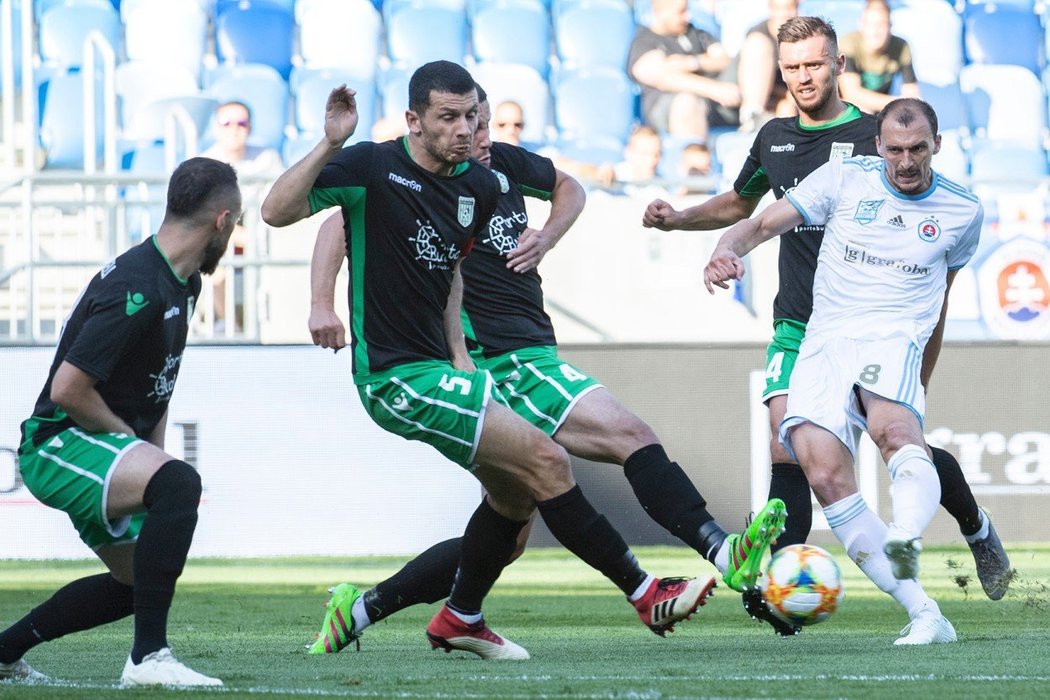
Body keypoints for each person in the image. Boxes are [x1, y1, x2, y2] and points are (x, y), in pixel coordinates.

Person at [260, 61, 765, 661]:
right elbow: (278, 213)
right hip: (396, 374)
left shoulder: (477, 183)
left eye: (474, 117)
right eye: (451, 118)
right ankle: (647, 588)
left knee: (514, 510)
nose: (469, 130)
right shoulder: (372, 164)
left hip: (450, 368)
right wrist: (330, 146)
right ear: (415, 122)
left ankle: (421, 613)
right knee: (551, 460)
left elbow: (450, 274)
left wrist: (457, 356)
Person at [643, 16, 1010, 634]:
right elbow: (743, 208)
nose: (803, 77)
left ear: (839, 65)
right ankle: (782, 586)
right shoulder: (776, 137)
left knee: (899, 436)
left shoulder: (881, 137)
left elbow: (936, 269)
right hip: (801, 324)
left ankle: (975, 527)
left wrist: (925, 353)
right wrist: (682, 221)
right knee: (793, 454)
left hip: (883, 322)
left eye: (815, 64)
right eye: (792, 67)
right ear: (779, 71)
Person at [701, 97, 982, 645]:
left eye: (918, 149)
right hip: (824, 339)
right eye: (895, 149)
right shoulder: (844, 178)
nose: (906, 162)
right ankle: (927, 615)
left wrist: (925, 365)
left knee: (893, 432)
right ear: (878, 146)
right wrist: (723, 248)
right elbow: (758, 224)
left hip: (895, 334)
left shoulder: (962, 211)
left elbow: (943, 297)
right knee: (827, 479)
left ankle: (903, 534)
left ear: (937, 146)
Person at [0, 157, 241, 686]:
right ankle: (148, 660)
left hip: (98, 446)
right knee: (181, 484)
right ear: (222, 221)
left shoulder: (183, 283)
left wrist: (148, 452)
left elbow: (159, 381)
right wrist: (129, 440)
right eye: (237, 223)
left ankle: (3, 652)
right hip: (57, 444)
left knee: (136, 585)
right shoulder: (138, 285)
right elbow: (67, 390)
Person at [199, 101, 283, 334]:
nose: (234, 129)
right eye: (227, 123)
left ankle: (272, 326)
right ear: (216, 128)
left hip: (261, 230)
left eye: (241, 123)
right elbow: (204, 215)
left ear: (250, 127)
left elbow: (279, 203)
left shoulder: (267, 159)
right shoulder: (205, 163)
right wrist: (239, 236)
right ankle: (228, 325)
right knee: (217, 256)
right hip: (220, 233)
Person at [627, 0, 740, 142]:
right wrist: (713, 89)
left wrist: (691, 62)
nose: (687, 16)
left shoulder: (696, 33)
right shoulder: (645, 41)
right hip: (670, 108)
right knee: (687, 101)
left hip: (715, 104)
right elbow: (659, 76)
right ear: (660, 11)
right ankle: (694, 159)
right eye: (680, 12)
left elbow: (723, 59)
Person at [838, 0, 920, 115]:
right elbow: (851, 94)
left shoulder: (901, 47)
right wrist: (899, 103)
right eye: (870, 24)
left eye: (881, 25)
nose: (875, 31)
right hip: (847, 109)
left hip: (882, 110)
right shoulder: (849, 43)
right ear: (861, 24)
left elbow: (912, 92)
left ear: (890, 26)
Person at [736, 0, 799, 132]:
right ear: (770, 9)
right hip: (739, 96)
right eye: (781, 8)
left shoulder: (801, 37)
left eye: (790, 8)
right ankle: (752, 117)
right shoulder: (758, 36)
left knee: (786, 108)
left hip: (779, 100)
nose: (786, 14)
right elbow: (756, 77)